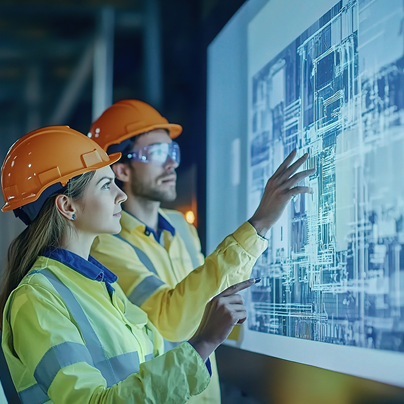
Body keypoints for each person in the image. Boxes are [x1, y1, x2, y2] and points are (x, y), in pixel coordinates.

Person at [0, 126, 260, 404]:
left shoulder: (103, 287)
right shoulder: (36, 300)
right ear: (67, 206)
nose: (120, 195)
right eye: (105, 185)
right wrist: (203, 343)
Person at [88, 100, 314, 403]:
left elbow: (214, 294)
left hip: (206, 392)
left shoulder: (181, 226)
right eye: (156, 153)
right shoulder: (105, 245)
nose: (171, 164)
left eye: (172, 152)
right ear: (122, 169)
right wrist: (258, 223)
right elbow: (170, 320)